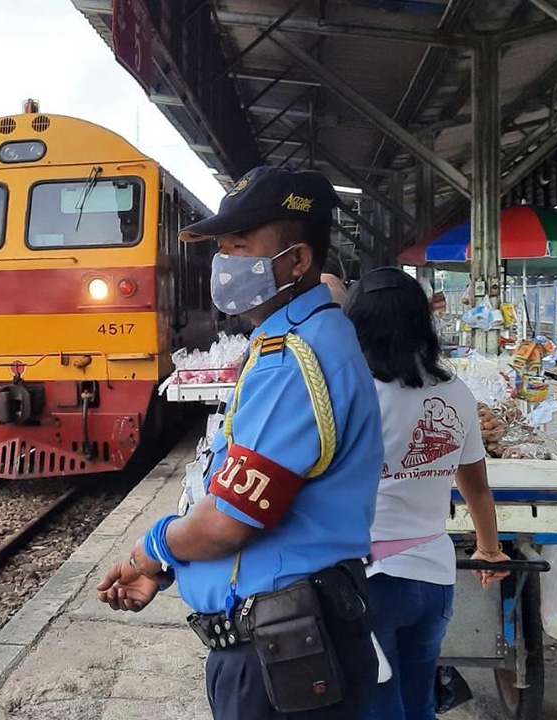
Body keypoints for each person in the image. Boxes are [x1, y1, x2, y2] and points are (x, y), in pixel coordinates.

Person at [95, 165, 385, 720]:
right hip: (292, 639)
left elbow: (228, 522)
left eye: (240, 245)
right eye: (222, 247)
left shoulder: (292, 361)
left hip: (285, 655)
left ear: (297, 261)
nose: (225, 262)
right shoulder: (306, 338)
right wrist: (168, 568)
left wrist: (149, 551)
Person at [343, 267, 511, 720]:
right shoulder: (455, 392)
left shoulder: (355, 394)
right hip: (435, 579)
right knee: (418, 704)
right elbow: (475, 485)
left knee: (376, 708)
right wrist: (490, 550)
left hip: (372, 578)